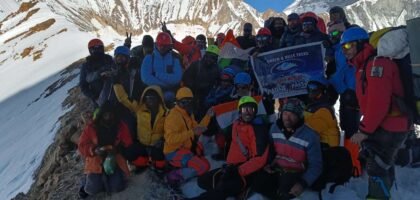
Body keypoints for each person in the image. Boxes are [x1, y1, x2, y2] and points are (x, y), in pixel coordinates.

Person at [341, 27, 411, 199]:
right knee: (381, 163)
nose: (345, 51)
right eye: (343, 47)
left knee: (376, 165)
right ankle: (384, 194)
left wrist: (364, 130)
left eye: (348, 46)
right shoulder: (366, 65)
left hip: (391, 124)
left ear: (360, 44)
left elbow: (379, 103)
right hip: (388, 123)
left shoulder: (377, 65)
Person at [193, 96, 270, 200]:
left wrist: (239, 170)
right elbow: (231, 106)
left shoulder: (258, 130)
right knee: (202, 181)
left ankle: (222, 192)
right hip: (230, 168)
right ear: (240, 111)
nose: (247, 112)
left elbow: (260, 159)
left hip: (245, 173)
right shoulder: (236, 124)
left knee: (221, 190)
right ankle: (224, 192)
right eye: (244, 109)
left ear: (255, 111)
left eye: (251, 109)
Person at [253, 98, 323, 200]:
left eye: (292, 114)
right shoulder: (274, 128)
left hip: (296, 173)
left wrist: (303, 183)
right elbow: (270, 150)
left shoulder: (310, 136)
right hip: (277, 169)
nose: (287, 118)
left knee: (283, 193)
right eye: (285, 113)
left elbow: (316, 165)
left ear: (299, 116)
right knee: (257, 183)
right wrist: (267, 164)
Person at [326, 21, 362, 174]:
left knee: (351, 129)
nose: (333, 37)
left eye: (336, 33)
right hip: (350, 94)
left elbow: (341, 74)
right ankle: (354, 163)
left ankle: (354, 164)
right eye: (331, 34)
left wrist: (343, 89)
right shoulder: (339, 50)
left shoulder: (342, 50)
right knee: (350, 129)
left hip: (352, 94)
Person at [78, 102, 133, 196]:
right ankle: (85, 181)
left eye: (111, 114)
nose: (108, 117)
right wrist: (94, 150)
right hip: (96, 158)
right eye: (105, 114)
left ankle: (109, 178)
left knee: (117, 187)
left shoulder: (120, 126)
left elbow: (128, 143)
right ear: (101, 115)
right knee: (91, 190)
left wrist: (118, 149)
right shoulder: (91, 128)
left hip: (114, 159)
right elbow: (81, 146)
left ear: (114, 114)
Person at [163, 87, 214, 185]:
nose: (186, 104)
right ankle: (173, 176)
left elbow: (197, 130)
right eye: (183, 102)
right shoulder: (173, 117)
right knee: (203, 167)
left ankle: (184, 168)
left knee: (206, 164)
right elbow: (170, 139)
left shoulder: (188, 114)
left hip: (186, 149)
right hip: (173, 152)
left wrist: (208, 116)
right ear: (177, 102)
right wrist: (191, 132)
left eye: (189, 101)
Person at [113, 84, 167, 173]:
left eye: (153, 97)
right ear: (144, 98)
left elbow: (170, 129)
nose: (150, 100)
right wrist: (116, 84)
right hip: (142, 144)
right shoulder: (139, 109)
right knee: (129, 152)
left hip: (158, 145)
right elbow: (124, 98)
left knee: (161, 162)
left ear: (159, 98)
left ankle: (158, 168)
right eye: (148, 97)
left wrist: (163, 140)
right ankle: (143, 164)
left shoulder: (166, 113)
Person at [141, 32, 182, 106]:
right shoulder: (149, 58)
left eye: (165, 46)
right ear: (156, 44)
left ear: (169, 46)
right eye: (160, 45)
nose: (162, 47)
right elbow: (145, 78)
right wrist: (165, 85)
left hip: (171, 96)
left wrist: (157, 74)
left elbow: (177, 78)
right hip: (153, 95)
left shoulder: (175, 59)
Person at [182, 45, 221, 119]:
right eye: (208, 56)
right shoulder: (196, 65)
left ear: (216, 59)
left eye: (212, 57)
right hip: (193, 97)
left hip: (208, 100)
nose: (209, 59)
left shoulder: (217, 70)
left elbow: (218, 84)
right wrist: (196, 87)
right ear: (205, 55)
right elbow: (186, 79)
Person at [304, 76, 340, 148]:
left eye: (314, 87)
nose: (311, 90)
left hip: (327, 149)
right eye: (309, 87)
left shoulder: (325, 110)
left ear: (323, 90)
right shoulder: (312, 105)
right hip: (317, 144)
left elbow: (310, 130)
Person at [79, 38, 116, 108]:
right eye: (94, 49)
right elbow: (83, 85)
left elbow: (119, 68)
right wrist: (94, 96)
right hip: (99, 100)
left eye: (99, 49)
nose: (97, 51)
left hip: (116, 94)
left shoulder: (109, 59)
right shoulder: (87, 66)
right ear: (90, 50)